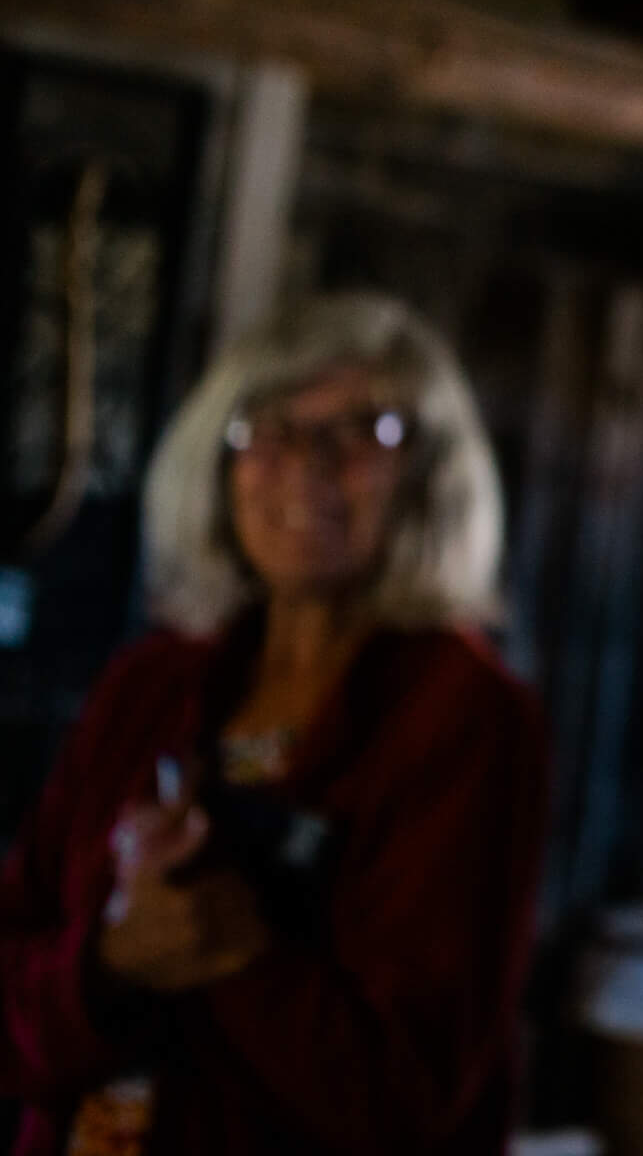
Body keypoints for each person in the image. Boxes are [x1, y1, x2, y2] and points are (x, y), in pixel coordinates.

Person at [0, 294, 547, 1155]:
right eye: (268, 429)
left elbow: (405, 1099)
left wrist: (237, 955)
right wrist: (108, 968)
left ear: (432, 477)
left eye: (366, 431)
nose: (308, 466)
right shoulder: (149, 686)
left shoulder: (465, 716)